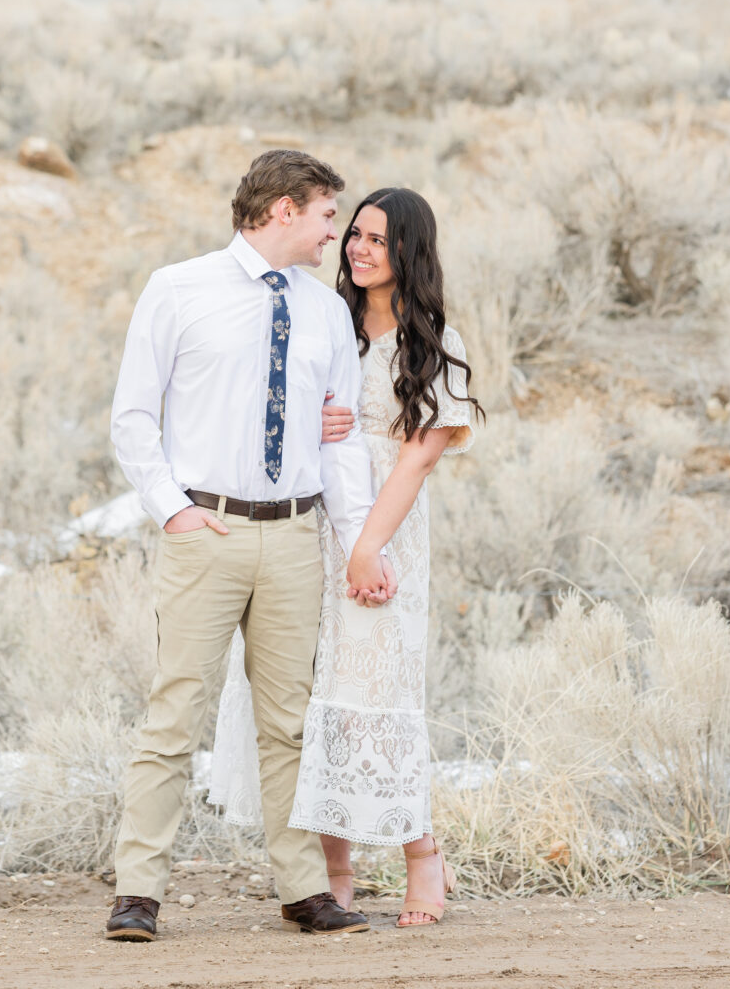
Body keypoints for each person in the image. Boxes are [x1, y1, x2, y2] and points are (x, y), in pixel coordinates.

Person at [105, 150, 397, 944]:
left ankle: (305, 891)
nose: (335, 232)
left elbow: (336, 442)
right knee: (175, 714)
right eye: (327, 215)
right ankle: (138, 892)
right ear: (283, 211)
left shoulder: (325, 313)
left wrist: (357, 541)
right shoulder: (177, 289)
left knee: (289, 723)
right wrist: (173, 512)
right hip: (209, 531)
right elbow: (132, 417)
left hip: (296, 533)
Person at [210, 187, 483, 927]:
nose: (359, 249)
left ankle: (422, 857)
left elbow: (416, 460)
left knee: (377, 695)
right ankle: (335, 865)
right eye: (354, 234)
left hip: (383, 536)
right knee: (310, 695)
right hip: (307, 530)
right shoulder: (326, 322)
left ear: (410, 254)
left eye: (378, 240)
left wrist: (367, 547)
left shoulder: (435, 344)